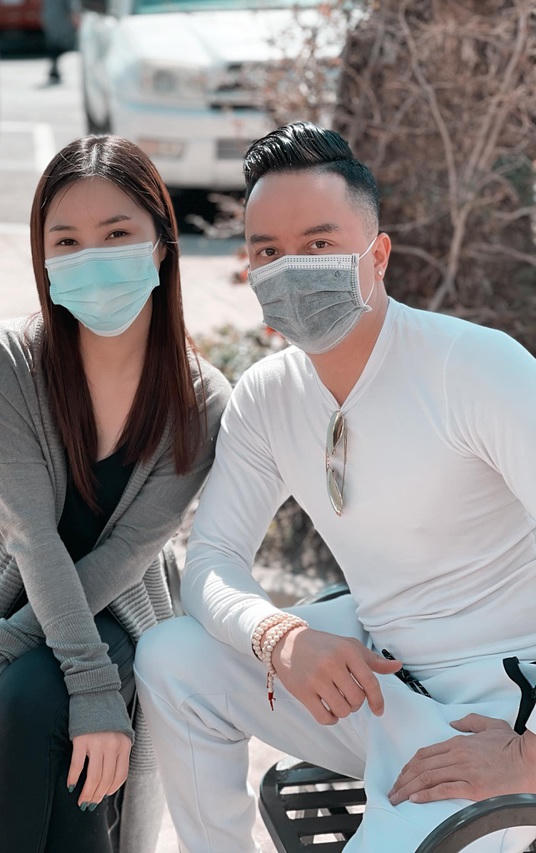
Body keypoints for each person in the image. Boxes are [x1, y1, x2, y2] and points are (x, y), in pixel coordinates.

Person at [134, 121, 536, 852]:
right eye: (268, 252)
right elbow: (213, 560)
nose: (292, 269)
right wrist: (279, 637)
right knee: (172, 656)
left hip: (493, 711)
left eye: (319, 244)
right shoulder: (268, 396)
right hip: (376, 680)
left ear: (376, 255)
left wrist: (529, 756)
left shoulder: (473, 368)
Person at [0, 134, 230, 853]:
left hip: (118, 601)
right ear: (43, 258)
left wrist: (66, 679)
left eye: (117, 234)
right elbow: (29, 536)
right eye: (67, 241)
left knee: (32, 695)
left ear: (162, 246)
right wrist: (73, 681)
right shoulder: (2, 362)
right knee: (42, 703)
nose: (92, 258)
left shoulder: (199, 403)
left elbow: (128, 552)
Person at [42, 0, 79, 84]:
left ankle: (54, 70)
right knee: (62, 46)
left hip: (51, 21)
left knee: (54, 46)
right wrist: (76, 21)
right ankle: (55, 70)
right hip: (62, 22)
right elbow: (72, 8)